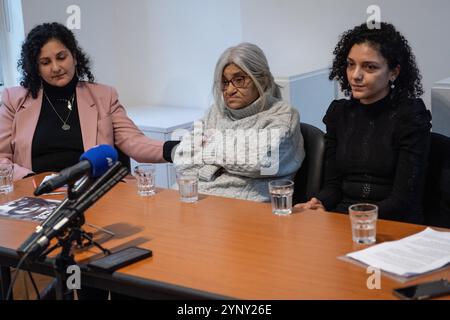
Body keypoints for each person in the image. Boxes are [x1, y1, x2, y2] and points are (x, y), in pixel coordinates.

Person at [0, 22, 176, 181]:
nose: (56, 67)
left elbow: (133, 141)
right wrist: (31, 180)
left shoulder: (104, 96)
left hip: (92, 189)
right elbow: (1, 159)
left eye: (61, 57)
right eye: (45, 62)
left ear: (74, 57)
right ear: (36, 68)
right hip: (36, 193)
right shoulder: (13, 100)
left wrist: (176, 149)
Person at [295, 22, 431, 224]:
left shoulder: (410, 117)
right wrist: (319, 203)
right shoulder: (339, 113)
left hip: (394, 225)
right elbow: (333, 187)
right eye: (351, 64)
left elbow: (403, 201)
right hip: (344, 221)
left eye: (369, 67)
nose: (355, 75)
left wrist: (348, 218)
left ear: (393, 72)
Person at [173, 42, 304, 202]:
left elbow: (261, 162)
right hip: (195, 199)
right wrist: (240, 151)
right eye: (224, 82)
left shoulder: (283, 115)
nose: (229, 90)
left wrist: (209, 150)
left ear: (261, 80)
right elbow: (182, 162)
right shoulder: (215, 112)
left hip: (242, 207)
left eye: (239, 79)